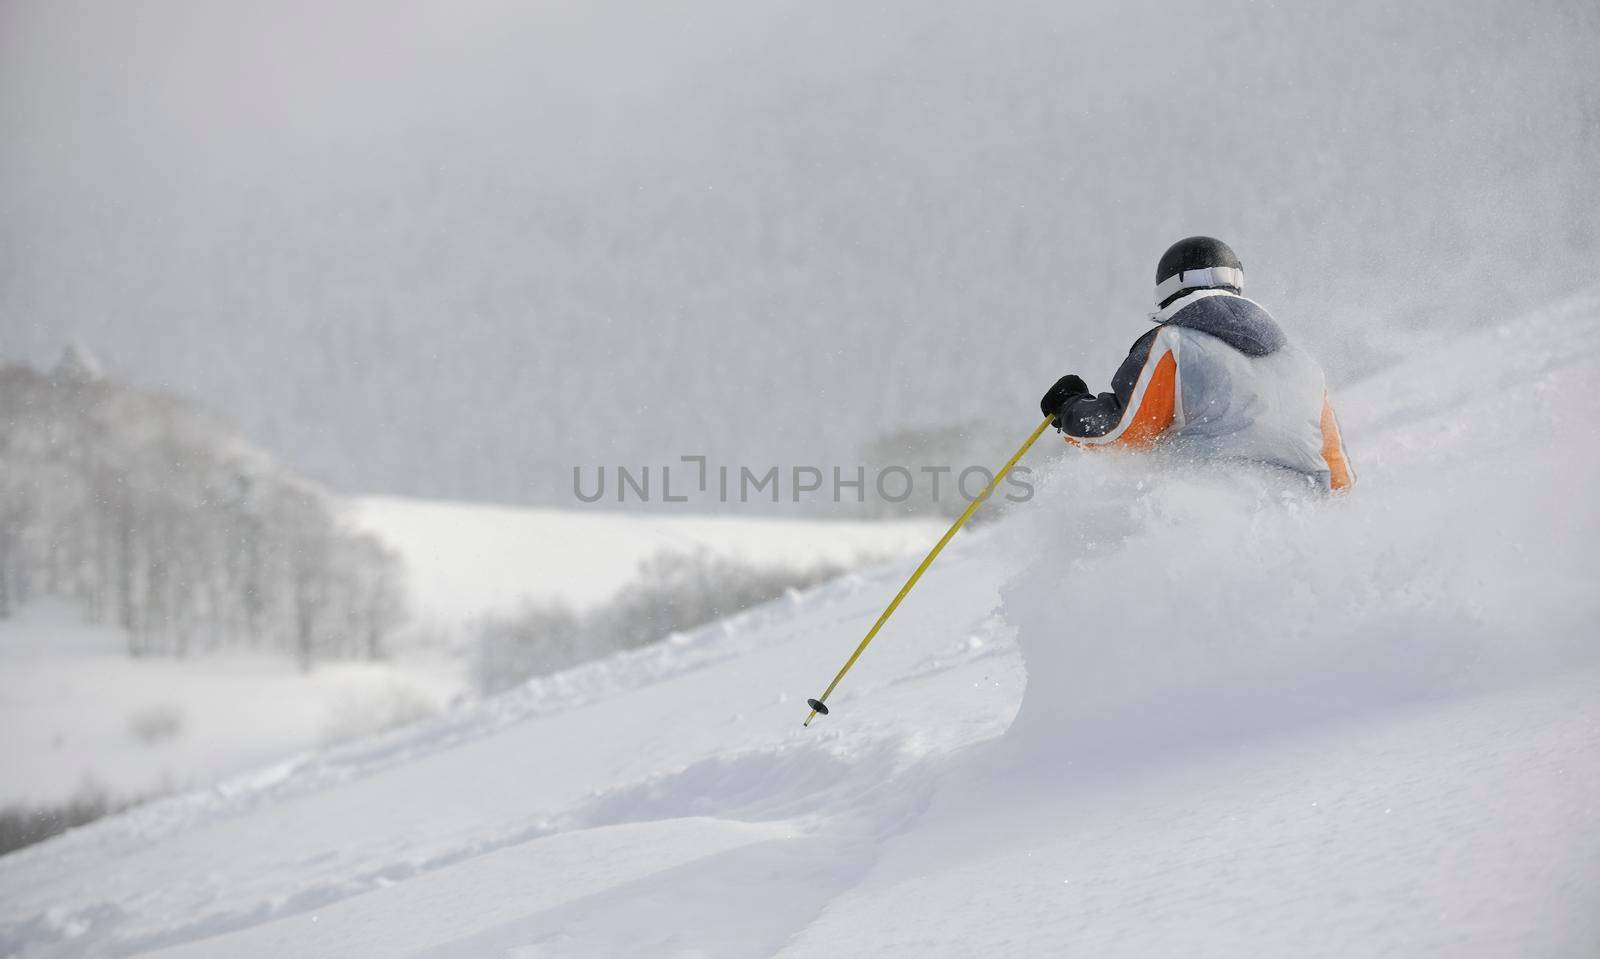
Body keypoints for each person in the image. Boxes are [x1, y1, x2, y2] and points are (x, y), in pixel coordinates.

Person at [1039, 236, 1354, 491]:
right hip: (1302, 509)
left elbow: (1125, 430)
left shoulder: (1174, 343)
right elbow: (1336, 473)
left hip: (1215, 501)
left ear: (1167, 290)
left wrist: (1069, 408)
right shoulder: (1303, 364)